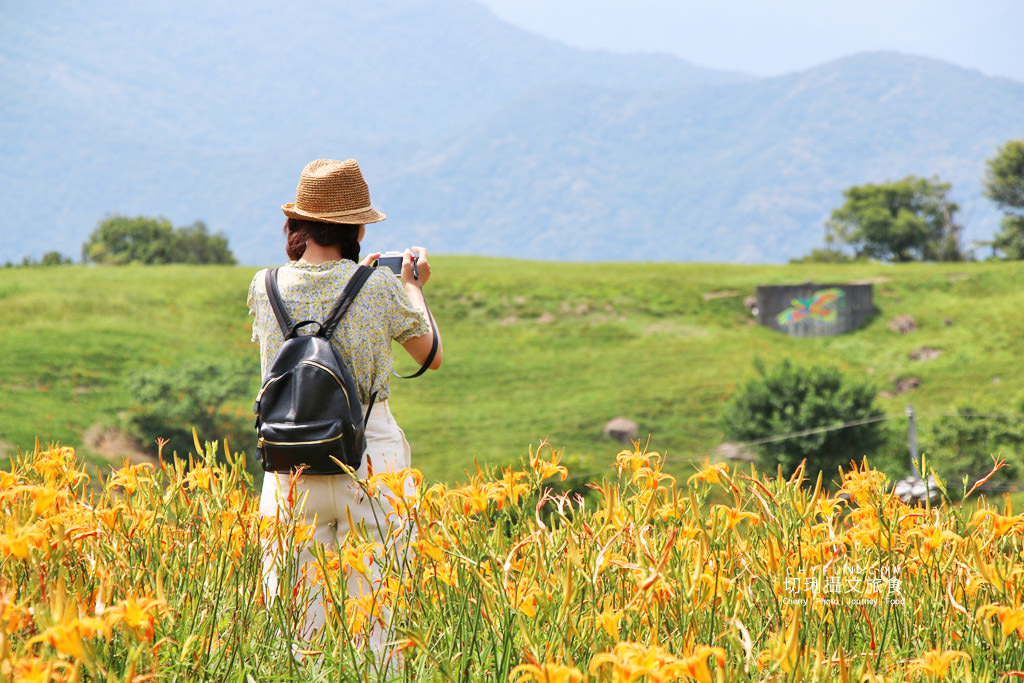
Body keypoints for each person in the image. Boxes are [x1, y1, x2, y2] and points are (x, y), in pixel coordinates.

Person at [247, 158, 442, 658]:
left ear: (298, 223)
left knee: (296, 640)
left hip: (291, 465)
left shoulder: (265, 285)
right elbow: (431, 357)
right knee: (379, 633)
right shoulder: (378, 286)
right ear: (356, 226)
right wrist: (413, 286)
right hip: (369, 463)